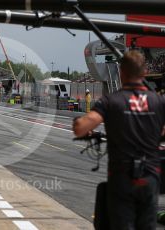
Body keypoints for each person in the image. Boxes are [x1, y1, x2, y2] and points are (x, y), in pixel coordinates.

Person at [73, 50, 165, 230]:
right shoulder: (158, 101)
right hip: (150, 177)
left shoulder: (112, 101)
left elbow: (80, 127)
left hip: (122, 177)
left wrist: (82, 124)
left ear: (121, 73)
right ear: (144, 72)